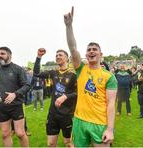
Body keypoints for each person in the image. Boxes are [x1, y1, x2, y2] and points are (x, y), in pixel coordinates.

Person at [64, 7, 118, 147]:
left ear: (101, 54)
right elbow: (73, 48)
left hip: (99, 123)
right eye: (89, 50)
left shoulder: (109, 77)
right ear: (86, 54)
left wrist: (110, 129)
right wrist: (69, 26)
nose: (91, 51)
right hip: (79, 121)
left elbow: (111, 104)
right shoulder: (81, 69)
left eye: (95, 49)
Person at [33, 48, 77, 147]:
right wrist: (39, 57)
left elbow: (78, 93)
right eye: (56, 55)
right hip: (53, 114)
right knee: (51, 143)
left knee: (68, 143)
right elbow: (36, 73)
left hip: (66, 114)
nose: (57, 57)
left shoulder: (73, 75)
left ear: (67, 58)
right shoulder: (53, 73)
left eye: (60, 55)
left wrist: (65, 96)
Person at [0, 47, 30, 147]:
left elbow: (27, 85)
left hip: (16, 105)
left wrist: (15, 94)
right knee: (5, 134)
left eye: (2, 53)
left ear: (9, 55)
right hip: (1, 107)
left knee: (20, 133)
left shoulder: (18, 69)